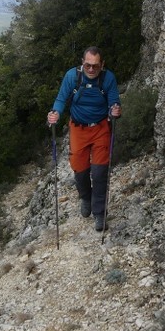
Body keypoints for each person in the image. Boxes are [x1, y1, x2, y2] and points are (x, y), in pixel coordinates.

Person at [47, 46, 121, 231]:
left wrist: (115, 110)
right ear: (82, 63)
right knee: (79, 169)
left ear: (102, 65)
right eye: (87, 65)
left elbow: (114, 100)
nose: (91, 69)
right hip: (78, 129)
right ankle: (85, 198)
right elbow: (61, 99)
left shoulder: (108, 78)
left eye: (95, 66)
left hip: (101, 128)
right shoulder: (72, 76)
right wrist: (55, 113)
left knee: (99, 172)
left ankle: (99, 213)